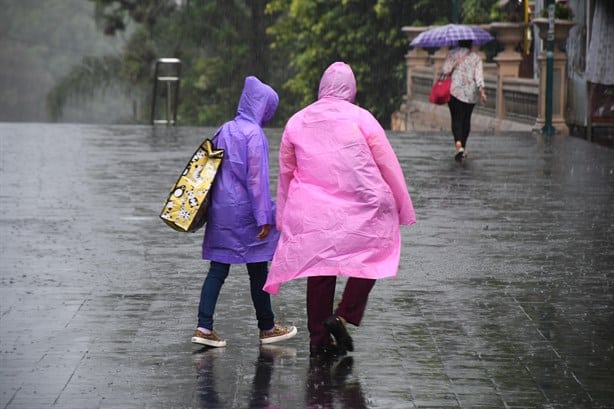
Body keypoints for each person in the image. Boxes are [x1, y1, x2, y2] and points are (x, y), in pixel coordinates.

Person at [263, 62, 416, 357]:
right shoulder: (362, 118)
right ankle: (344, 314)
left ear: (321, 86)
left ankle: (319, 338)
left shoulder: (297, 120)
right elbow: (387, 164)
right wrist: (402, 205)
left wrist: (283, 215)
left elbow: (286, 172)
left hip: (313, 210)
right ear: (352, 88)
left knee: (319, 270)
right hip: (362, 206)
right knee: (376, 253)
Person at [191, 76, 297, 348]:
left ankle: (204, 326)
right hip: (247, 213)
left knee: (217, 269)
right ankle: (267, 326)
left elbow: (208, 166)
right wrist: (264, 217)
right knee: (258, 269)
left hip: (221, 211)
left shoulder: (225, 128)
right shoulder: (255, 136)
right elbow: (256, 181)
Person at [441, 39, 487, 161]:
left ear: (458, 42)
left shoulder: (452, 54)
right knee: (466, 119)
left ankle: (458, 144)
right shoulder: (476, 58)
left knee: (456, 117)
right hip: (470, 93)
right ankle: (463, 146)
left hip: (454, 91)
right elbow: (479, 76)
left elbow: (445, 70)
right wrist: (482, 91)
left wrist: (453, 65)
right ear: (471, 44)